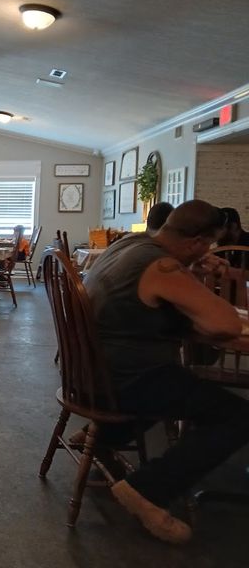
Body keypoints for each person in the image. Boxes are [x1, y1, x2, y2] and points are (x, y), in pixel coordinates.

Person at [83, 199, 249, 544]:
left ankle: (101, 436)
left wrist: (195, 270)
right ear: (198, 242)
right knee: (237, 416)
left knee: (185, 387)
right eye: (208, 244)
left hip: (90, 375)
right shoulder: (160, 267)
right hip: (126, 379)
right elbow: (226, 323)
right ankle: (148, 489)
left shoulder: (129, 245)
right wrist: (196, 276)